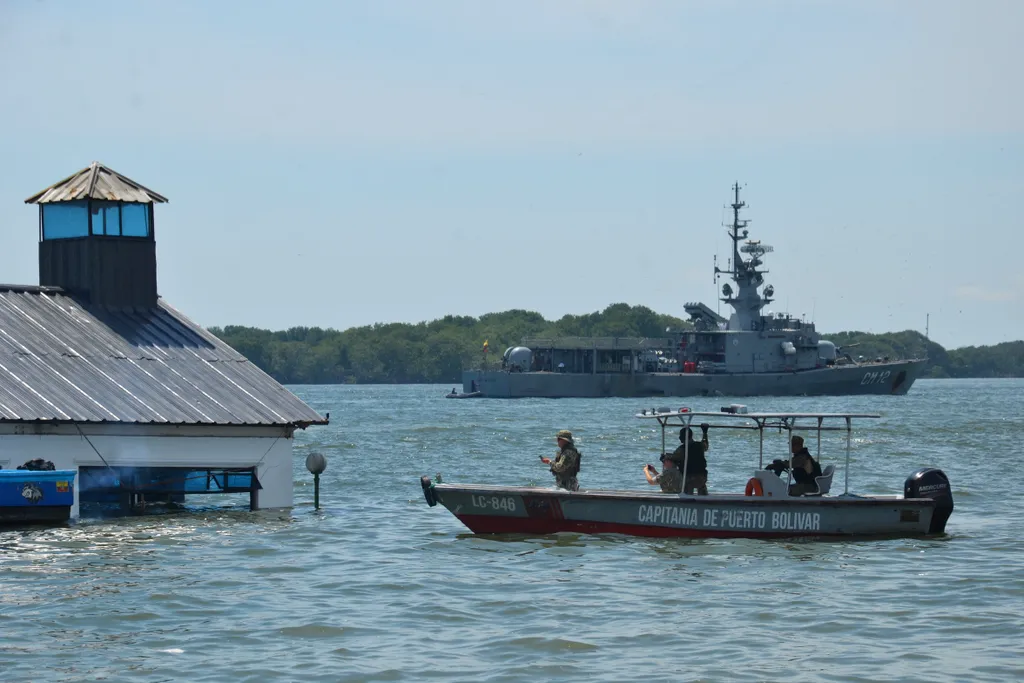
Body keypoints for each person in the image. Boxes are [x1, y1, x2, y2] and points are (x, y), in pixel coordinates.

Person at [669, 424, 710, 495]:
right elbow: (705, 445)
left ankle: (687, 500)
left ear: (683, 437)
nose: (679, 437)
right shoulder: (699, 445)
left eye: (680, 435)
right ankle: (705, 499)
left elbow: (673, 460)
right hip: (702, 477)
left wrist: (665, 458)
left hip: (689, 479)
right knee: (702, 486)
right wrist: (705, 433)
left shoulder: (681, 449)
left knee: (686, 489)